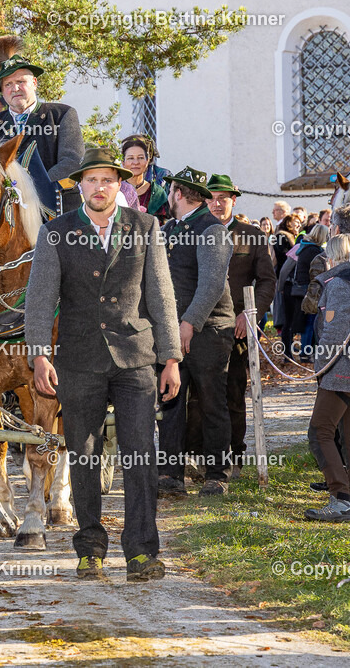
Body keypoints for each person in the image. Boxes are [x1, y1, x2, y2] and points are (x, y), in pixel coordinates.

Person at [24, 147, 181, 582]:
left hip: (136, 359)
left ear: (119, 184)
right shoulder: (55, 233)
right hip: (78, 359)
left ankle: (142, 551)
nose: (99, 187)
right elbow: (39, 300)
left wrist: (171, 359)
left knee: (140, 456)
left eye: (106, 180)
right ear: (80, 186)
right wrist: (39, 354)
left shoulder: (147, 227)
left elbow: (162, 298)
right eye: (90, 180)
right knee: (85, 456)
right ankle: (90, 546)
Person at [185, 175, 276, 481]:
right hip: (196, 326)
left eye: (224, 197)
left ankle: (234, 456)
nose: (217, 202)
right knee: (195, 397)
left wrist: (250, 314)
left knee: (232, 395)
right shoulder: (194, 232)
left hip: (235, 328)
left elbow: (267, 281)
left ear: (234, 200)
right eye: (211, 197)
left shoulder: (251, 235)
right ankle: (197, 456)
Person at [156, 166, 234, 497]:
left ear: (179, 194)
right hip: (174, 329)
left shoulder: (211, 229)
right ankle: (171, 476)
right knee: (170, 401)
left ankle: (217, 474)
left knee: (211, 401)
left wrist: (189, 323)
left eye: (170, 190)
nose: (167, 196)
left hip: (209, 329)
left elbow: (212, 283)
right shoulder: (171, 228)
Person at [0, 34, 84, 212]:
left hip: (57, 209)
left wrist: (31, 185)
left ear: (34, 83)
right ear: (2, 92)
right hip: (7, 214)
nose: (15, 88)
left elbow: (72, 161)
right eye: (8, 84)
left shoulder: (62, 114)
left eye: (21, 81)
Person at [305, 252, 350, 522]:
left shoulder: (341, 285)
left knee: (320, 431)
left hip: (342, 369)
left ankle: (340, 498)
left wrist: (320, 365)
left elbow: (334, 333)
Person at [303, 205, 350, 317]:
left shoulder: (323, 260)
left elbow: (311, 305)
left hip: (333, 325)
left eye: (331, 224)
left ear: (336, 229)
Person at [291, 224, 328, 360]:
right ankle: (305, 353)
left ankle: (305, 351)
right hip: (309, 289)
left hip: (302, 288)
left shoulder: (305, 247)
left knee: (306, 321)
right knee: (310, 321)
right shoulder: (313, 250)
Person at [120, 135, 169, 223]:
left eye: (140, 158)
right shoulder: (116, 190)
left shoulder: (157, 193)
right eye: (130, 158)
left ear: (147, 161)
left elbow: (163, 224)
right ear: (123, 163)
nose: (135, 163)